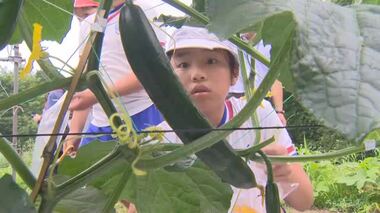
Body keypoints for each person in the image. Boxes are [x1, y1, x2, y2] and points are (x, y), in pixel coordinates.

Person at [160, 26, 313, 212]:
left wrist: (286, 173)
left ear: (234, 74)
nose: (197, 74)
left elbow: (305, 202)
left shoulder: (259, 116)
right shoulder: (161, 139)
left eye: (211, 61)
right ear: (169, 77)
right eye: (183, 65)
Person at [64, 0, 166, 154]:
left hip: (141, 114)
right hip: (99, 122)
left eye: (84, 13)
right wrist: (74, 133)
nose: (81, 18)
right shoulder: (90, 23)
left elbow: (150, 71)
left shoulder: (139, 10)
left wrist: (96, 96)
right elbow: (86, 82)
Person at [229, 33, 287, 125]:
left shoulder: (269, 45)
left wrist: (279, 111)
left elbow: (275, 79)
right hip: (229, 95)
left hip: (257, 98)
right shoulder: (229, 39)